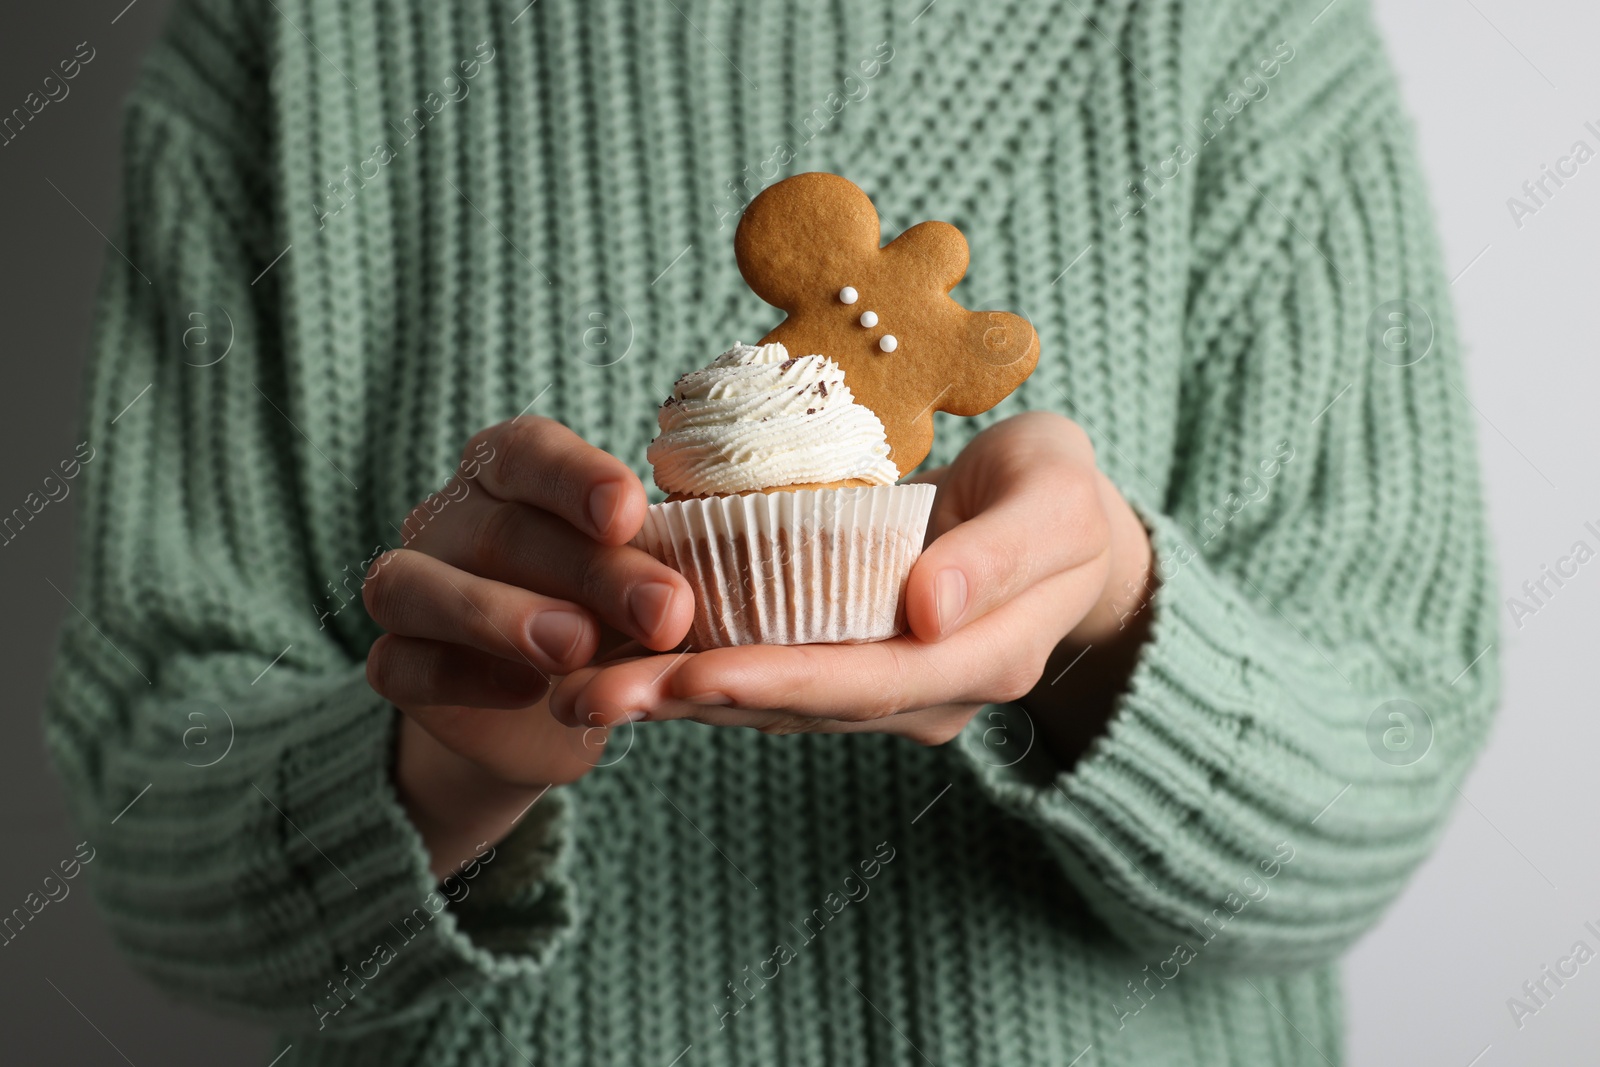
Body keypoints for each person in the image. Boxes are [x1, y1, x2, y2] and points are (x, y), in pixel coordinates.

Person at [46, 0, 1498, 1063]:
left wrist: (1111, 624)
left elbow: (1396, 756)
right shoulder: (286, 46)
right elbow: (149, 844)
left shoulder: (1234, 35)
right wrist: (440, 771)